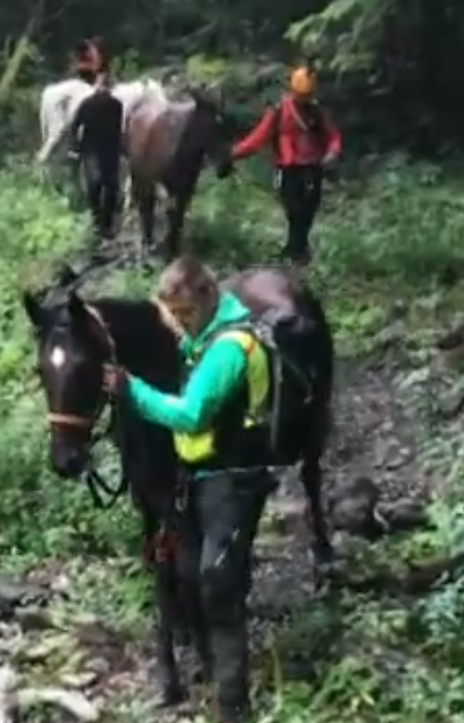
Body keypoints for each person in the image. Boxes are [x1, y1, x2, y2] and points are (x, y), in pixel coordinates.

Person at [103, 255, 278, 723]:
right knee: (191, 569)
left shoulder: (229, 349)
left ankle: (233, 706)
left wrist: (132, 390)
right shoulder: (201, 342)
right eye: (173, 317)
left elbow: (190, 414)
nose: (179, 325)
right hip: (201, 477)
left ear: (208, 296)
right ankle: (211, 670)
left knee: (217, 582)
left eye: (184, 314)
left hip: (232, 479)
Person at [231, 65, 342, 265]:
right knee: (293, 210)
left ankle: (298, 249)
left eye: (307, 94)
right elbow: (258, 138)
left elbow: (332, 135)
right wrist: (233, 154)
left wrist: (333, 152)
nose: (304, 99)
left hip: (313, 167)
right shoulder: (279, 111)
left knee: (309, 210)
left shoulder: (316, 111)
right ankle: (294, 250)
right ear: (292, 91)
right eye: (301, 94)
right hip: (289, 168)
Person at [68, 71, 124, 239]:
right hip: (108, 149)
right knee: (109, 186)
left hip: (93, 149)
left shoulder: (87, 103)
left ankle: (98, 222)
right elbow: (118, 128)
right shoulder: (116, 104)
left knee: (97, 185)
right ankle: (105, 224)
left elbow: (75, 126)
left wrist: (75, 147)